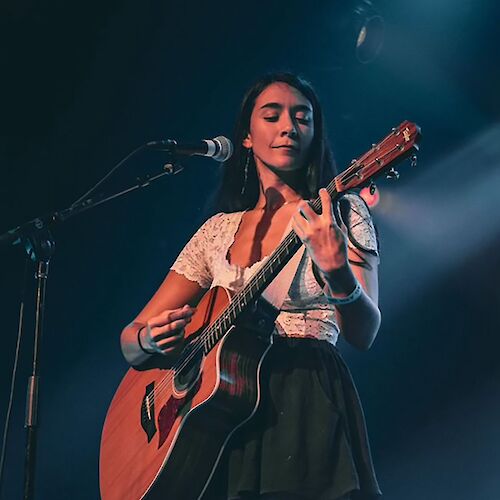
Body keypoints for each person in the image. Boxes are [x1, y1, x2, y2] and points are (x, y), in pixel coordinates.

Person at [120, 72, 382, 499]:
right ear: (245, 135)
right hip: (220, 419)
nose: (288, 127)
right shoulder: (216, 232)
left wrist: (336, 272)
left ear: (315, 133)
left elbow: (365, 332)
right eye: (272, 115)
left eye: (303, 118)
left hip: (305, 401)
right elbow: (130, 341)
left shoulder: (340, 211)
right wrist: (150, 339)